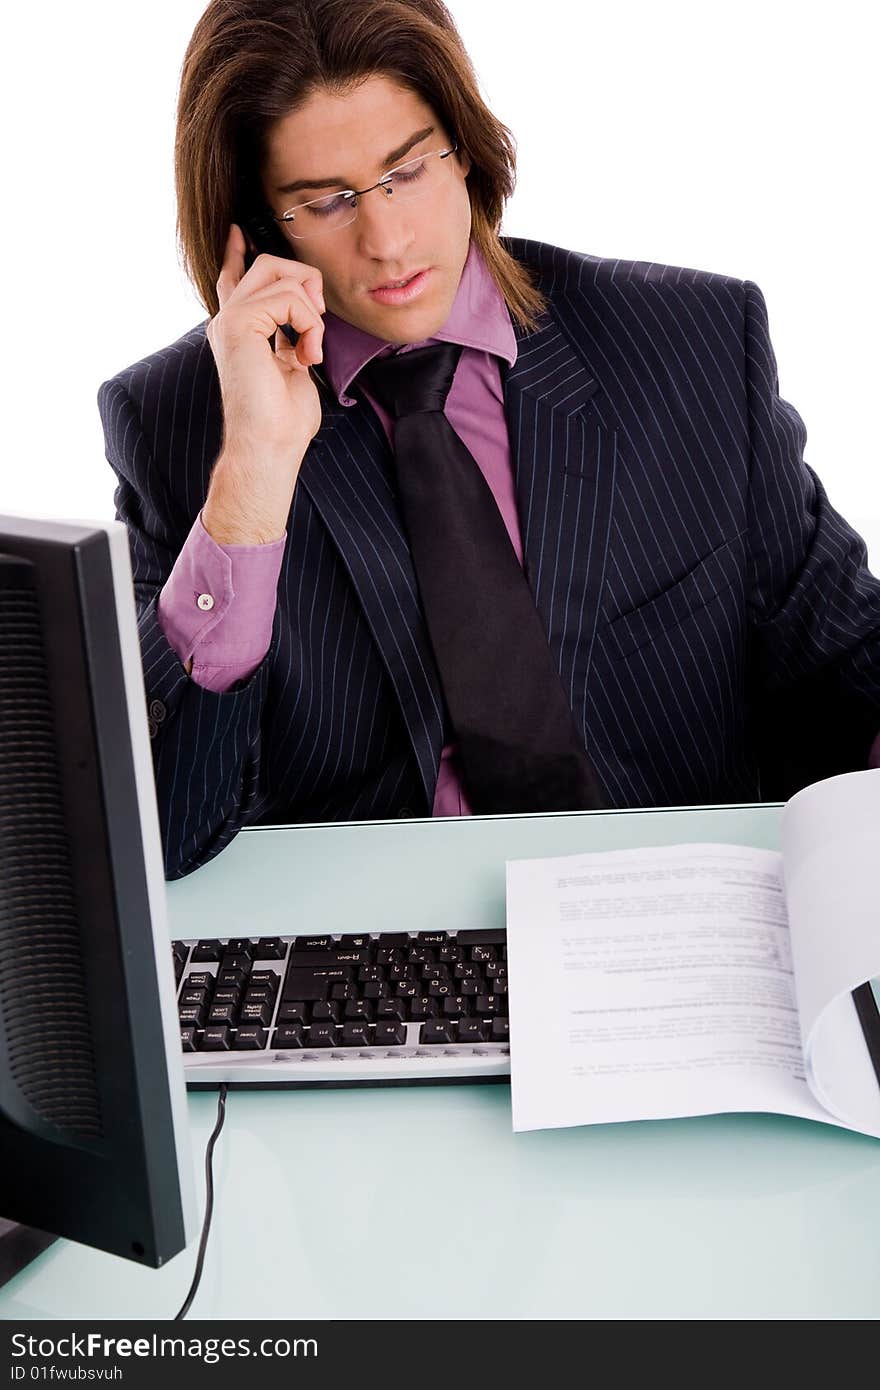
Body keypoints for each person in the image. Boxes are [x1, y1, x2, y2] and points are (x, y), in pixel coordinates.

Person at [98, 0, 880, 880]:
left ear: (467, 146)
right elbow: (154, 839)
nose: (387, 242)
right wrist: (252, 479)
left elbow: (849, 670)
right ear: (255, 226)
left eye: (409, 172)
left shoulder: (692, 343)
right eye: (326, 201)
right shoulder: (175, 424)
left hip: (676, 920)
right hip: (370, 953)